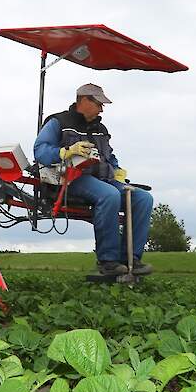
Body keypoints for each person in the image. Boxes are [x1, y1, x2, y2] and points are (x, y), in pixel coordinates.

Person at [34, 83, 154, 275]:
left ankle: (131, 259)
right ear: (83, 100)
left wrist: (117, 170)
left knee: (142, 198)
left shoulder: (101, 128)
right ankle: (108, 261)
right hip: (72, 180)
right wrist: (66, 152)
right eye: (98, 103)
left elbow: (109, 155)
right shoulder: (58, 122)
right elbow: (40, 151)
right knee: (109, 195)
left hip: (104, 179)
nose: (102, 108)